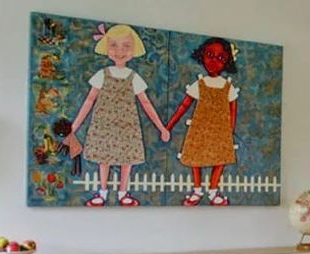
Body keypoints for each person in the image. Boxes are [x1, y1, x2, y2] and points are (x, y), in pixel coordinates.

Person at [70, 23, 170, 207]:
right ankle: (102, 192)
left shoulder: (134, 77)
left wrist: (161, 127)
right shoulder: (102, 74)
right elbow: (89, 101)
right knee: (104, 159)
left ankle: (123, 192)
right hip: (105, 126)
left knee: (127, 160)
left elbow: (146, 103)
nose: (120, 51)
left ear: (133, 50)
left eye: (126, 46)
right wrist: (74, 126)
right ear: (107, 48)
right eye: (114, 45)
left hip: (127, 127)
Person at [166, 37, 239, 207]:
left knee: (220, 160)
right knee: (195, 159)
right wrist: (168, 126)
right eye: (210, 55)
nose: (214, 62)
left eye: (221, 58)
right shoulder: (200, 84)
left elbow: (233, 111)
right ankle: (197, 189)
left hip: (220, 132)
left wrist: (230, 132)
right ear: (202, 56)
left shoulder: (228, 87)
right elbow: (184, 106)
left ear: (227, 62)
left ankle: (214, 190)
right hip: (200, 130)